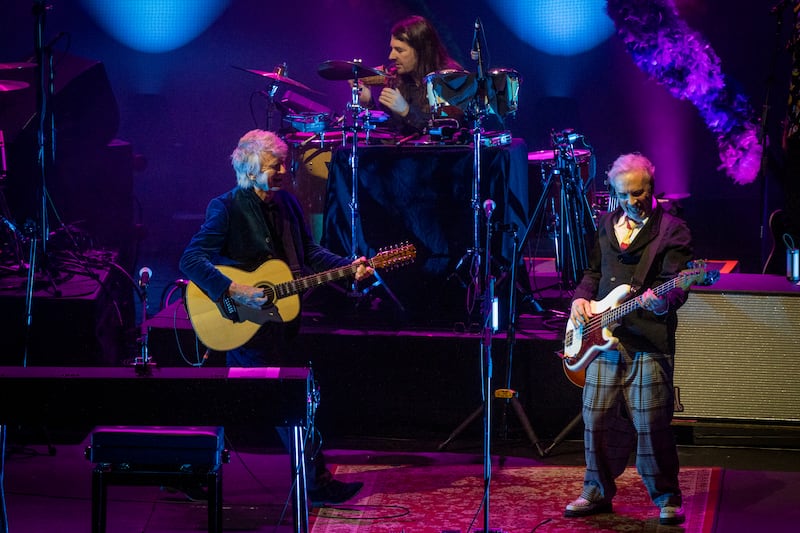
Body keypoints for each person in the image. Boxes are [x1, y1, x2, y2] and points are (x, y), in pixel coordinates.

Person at [179, 129, 372, 506]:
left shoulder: (288, 204)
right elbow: (191, 259)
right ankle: (316, 485)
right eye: (274, 165)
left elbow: (310, 254)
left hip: (278, 324)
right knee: (290, 401)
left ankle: (185, 470)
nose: (284, 170)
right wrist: (233, 289)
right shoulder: (226, 207)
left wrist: (349, 268)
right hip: (244, 323)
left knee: (227, 401)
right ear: (250, 170)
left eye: (285, 163)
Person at [563, 153, 693, 526]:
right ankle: (596, 491)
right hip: (600, 337)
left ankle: (667, 497)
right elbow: (592, 271)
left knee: (651, 422)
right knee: (595, 417)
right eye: (625, 195)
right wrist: (579, 299)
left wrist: (659, 301)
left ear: (651, 187)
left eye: (640, 192)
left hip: (647, 340)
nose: (633, 201)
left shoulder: (672, 230)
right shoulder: (605, 223)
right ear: (613, 193)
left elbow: (676, 288)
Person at [357, 14, 462, 136]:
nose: (391, 56)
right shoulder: (397, 79)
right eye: (392, 49)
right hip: (405, 154)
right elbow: (388, 135)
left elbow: (448, 130)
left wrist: (407, 112)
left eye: (400, 50)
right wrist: (368, 104)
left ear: (421, 50)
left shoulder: (449, 78)